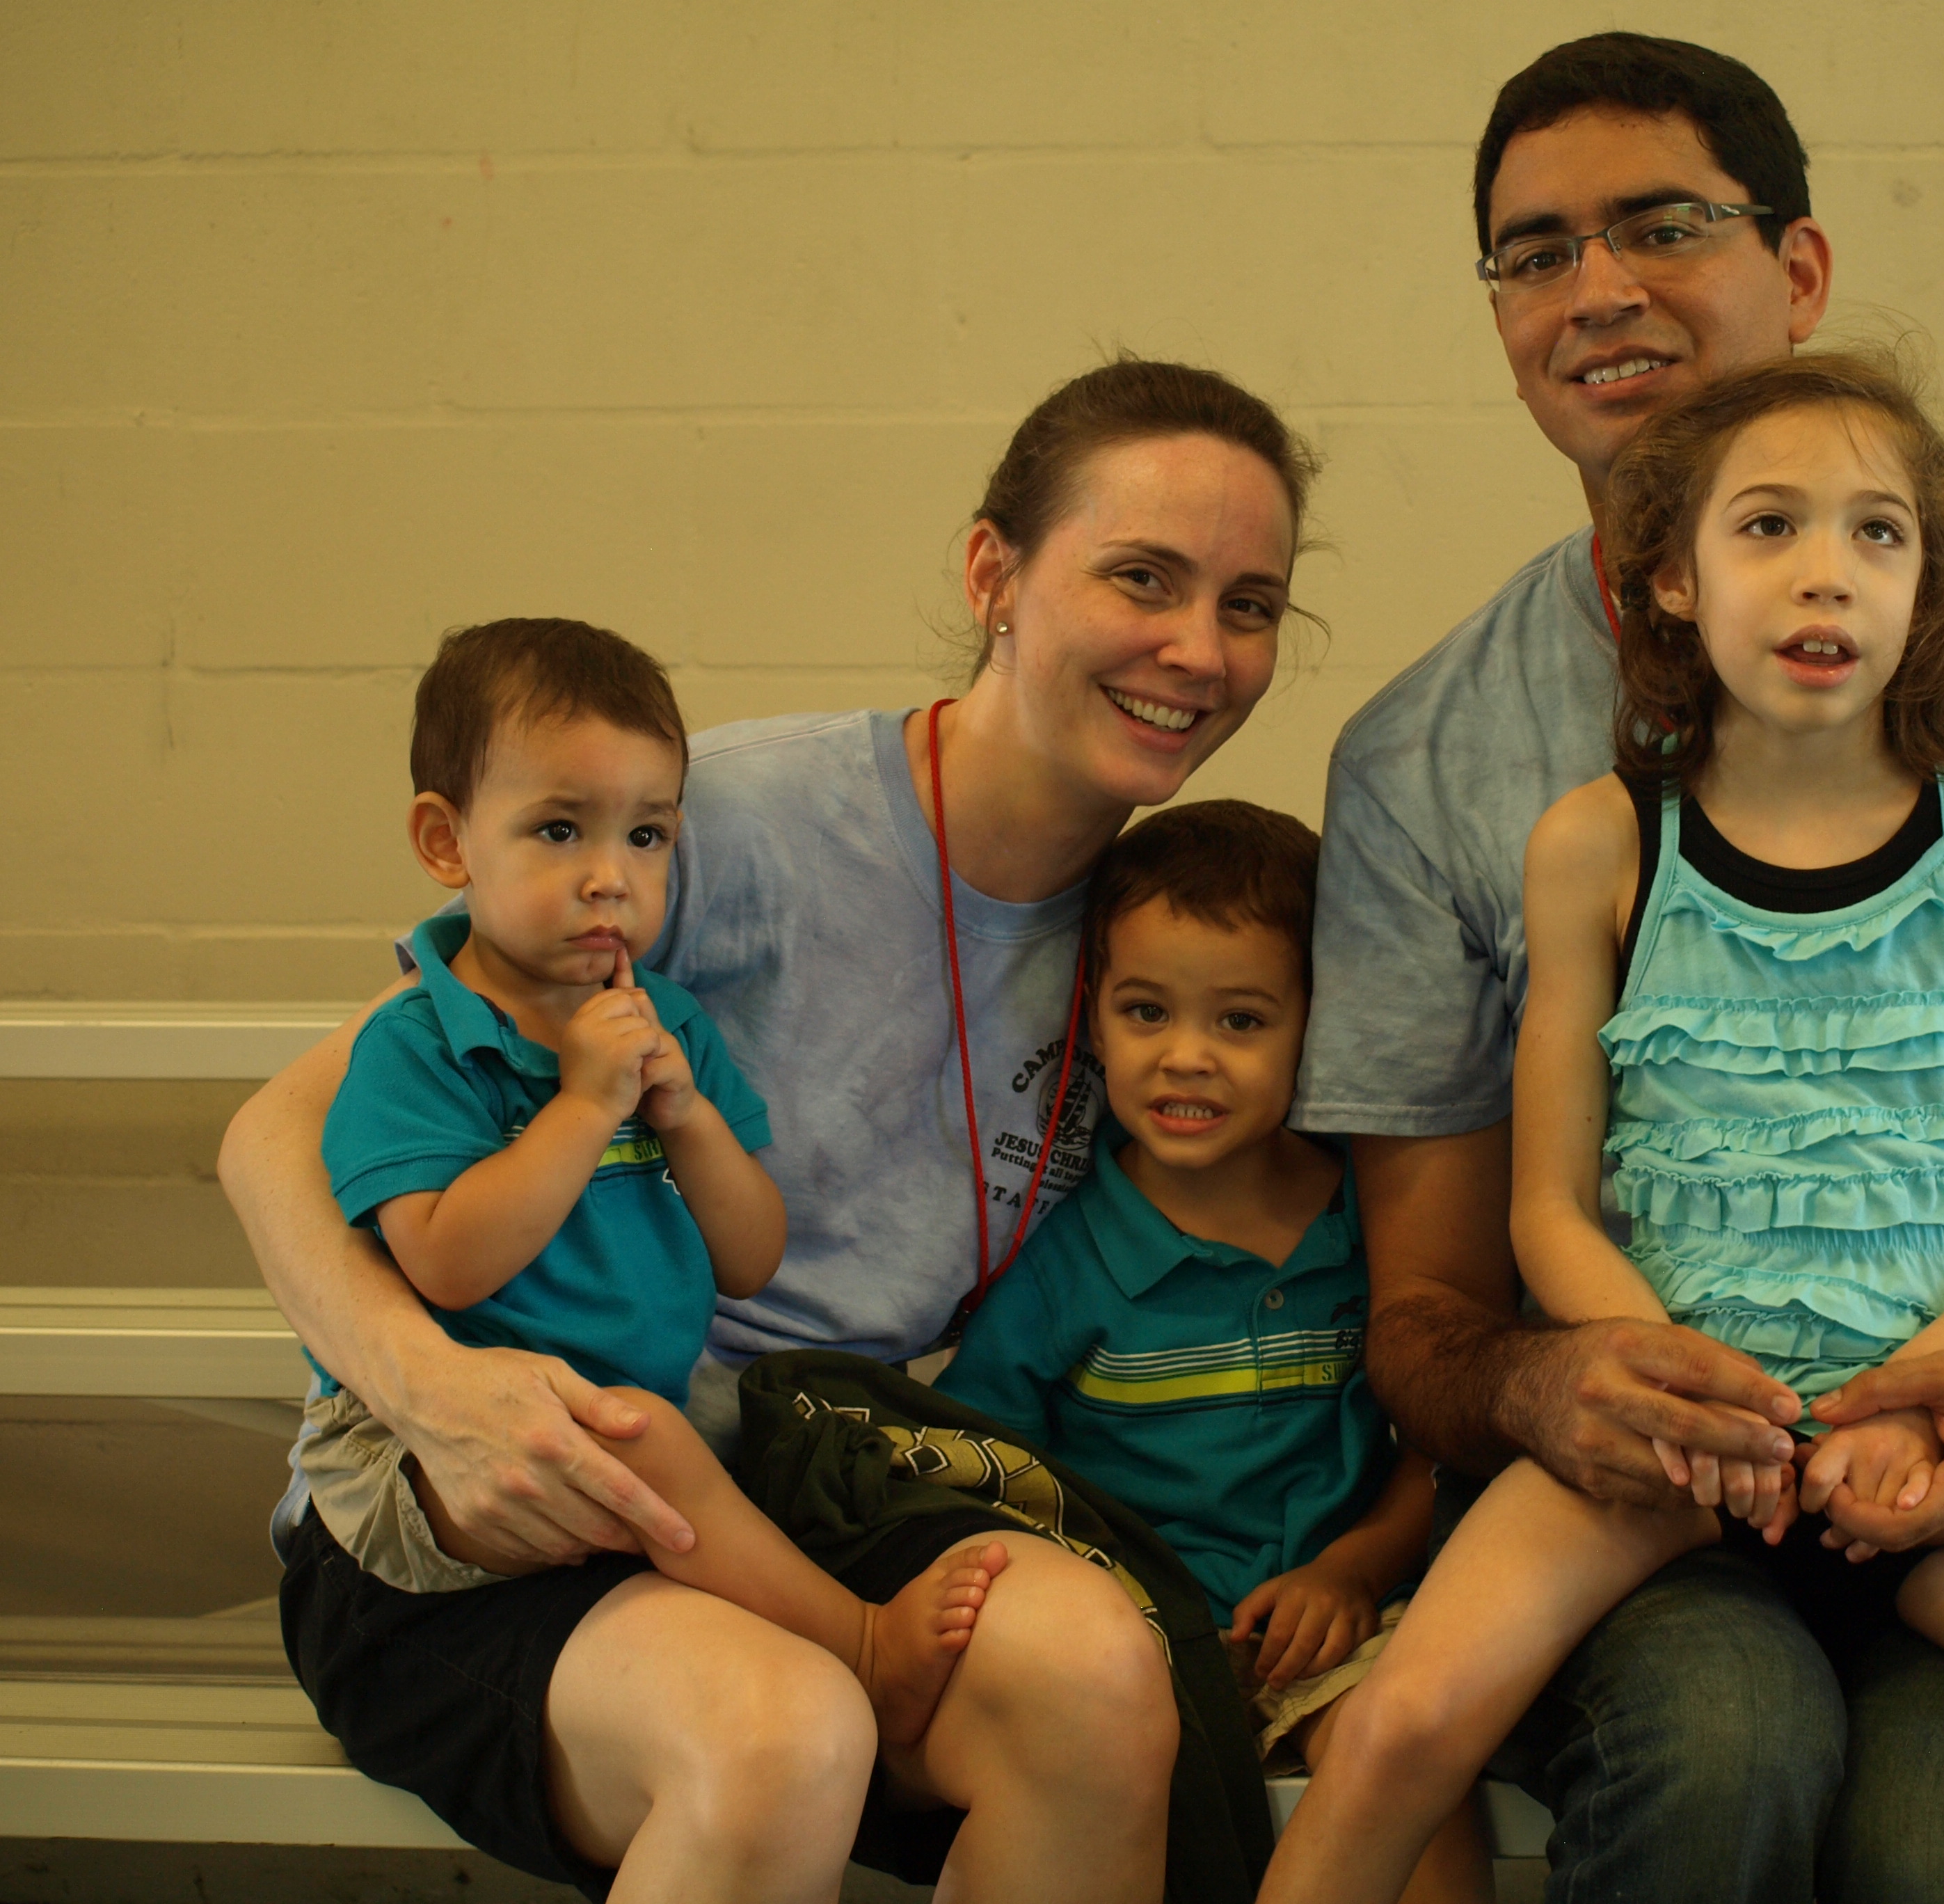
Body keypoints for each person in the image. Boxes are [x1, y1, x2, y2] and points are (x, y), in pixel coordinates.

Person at [1290, 33, 1944, 1902]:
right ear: (1677, 584)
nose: (1597, 287)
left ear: (1801, 265)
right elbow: (1442, 1302)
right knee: (1718, 1762)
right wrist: (1578, 1385)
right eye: (1536, 252)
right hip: (1664, 1459)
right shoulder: (1455, 767)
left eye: (1662, 224)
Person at [220, 357, 1322, 1904]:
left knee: (1102, 1677)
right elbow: (276, 1134)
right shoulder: (713, 828)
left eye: (1248, 604)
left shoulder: (1163, 937)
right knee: (781, 1733)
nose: (1196, 648)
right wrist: (439, 1393)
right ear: (994, 575)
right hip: (514, 1504)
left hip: (821, 1488)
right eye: (1141, 577)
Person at [303, 617, 1006, 1762]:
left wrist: (687, 1120)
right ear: (446, 840)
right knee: (646, 1438)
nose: (609, 878)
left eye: (646, 836)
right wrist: (584, 1108)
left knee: (665, 1439)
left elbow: (751, 1259)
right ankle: (867, 1648)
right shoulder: (422, 1042)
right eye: (559, 830)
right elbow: (444, 1262)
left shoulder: (667, 1024)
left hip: (610, 1431)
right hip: (415, 1460)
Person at [935, 800, 1493, 1904]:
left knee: (1414, 1770)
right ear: (1094, 1020)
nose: (1185, 1058)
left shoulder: (1375, 1228)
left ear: (1320, 1026)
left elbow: (1440, 1458)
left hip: (1351, 1627)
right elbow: (981, 1473)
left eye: (1241, 1021)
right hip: (1140, 1648)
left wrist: (1353, 1570)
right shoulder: (1063, 1267)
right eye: (1146, 1011)